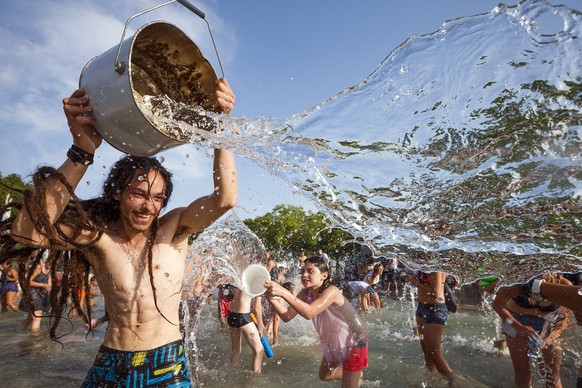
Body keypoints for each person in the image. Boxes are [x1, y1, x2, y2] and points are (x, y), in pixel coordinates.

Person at [10, 78, 236, 386]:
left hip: (166, 363)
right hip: (111, 363)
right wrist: (82, 150)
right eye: (139, 194)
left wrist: (220, 127)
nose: (148, 206)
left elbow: (225, 200)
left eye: (157, 198)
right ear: (117, 193)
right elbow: (27, 233)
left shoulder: (174, 230)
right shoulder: (99, 238)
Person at [265, 256, 368, 388]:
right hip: (334, 340)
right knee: (325, 375)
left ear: (324, 275)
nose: (304, 275)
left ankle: (352, 375)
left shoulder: (332, 291)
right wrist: (270, 297)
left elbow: (309, 312)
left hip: (355, 340)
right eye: (302, 271)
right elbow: (286, 316)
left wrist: (283, 292)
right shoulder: (305, 293)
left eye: (310, 271)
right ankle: (355, 375)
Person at [492, 273, 572, 388]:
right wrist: (518, 326)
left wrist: (553, 335)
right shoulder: (519, 281)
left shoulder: (564, 285)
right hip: (516, 320)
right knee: (523, 374)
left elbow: (564, 317)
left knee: (552, 378)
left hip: (547, 323)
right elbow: (497, 305)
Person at [400, 269, 458, 387]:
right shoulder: (424, 265)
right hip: (422, 307)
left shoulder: (436, 268)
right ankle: (433, 377)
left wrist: (414, 282)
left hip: (435, 310)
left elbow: (436, 293)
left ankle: (453, 382)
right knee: (426, 350)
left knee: (434, 353)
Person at [227, 287, 264, 373]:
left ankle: (232, 373)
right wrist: (261, 326)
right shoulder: (261, 279)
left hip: (231, 314)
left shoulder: (246, 275)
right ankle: (255, 381)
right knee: (259, 350)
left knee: (236, 349)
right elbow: (257, 308)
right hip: (243, 316)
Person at [20, 254, 52, 331]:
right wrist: (43, 285)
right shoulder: (38, 268)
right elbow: (26, 282)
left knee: (30, 318)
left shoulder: (50, 271)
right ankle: (35, 339)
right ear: (47, 261)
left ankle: (20, 332)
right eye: (50, 263)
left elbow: (49, 284)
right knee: (37, 317)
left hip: (41, 295)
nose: (51, 265)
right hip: (32, 294)